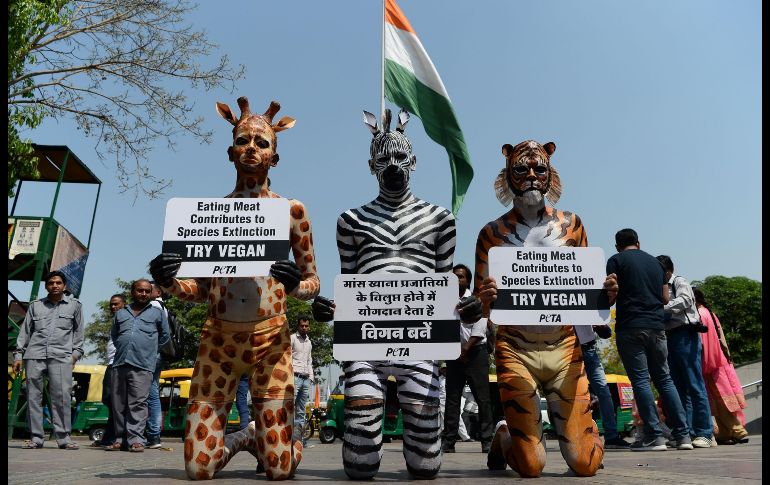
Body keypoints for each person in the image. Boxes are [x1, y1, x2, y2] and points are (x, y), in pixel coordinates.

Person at [149, 97, 320, 480]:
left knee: (280, 469)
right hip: (218, 341)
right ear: (230, 153)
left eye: (262, 143)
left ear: (274, 158)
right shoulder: (210, 216)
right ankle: (246, 436)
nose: (251, 149)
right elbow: (200, 290)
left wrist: (295, 285)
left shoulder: (292, 212)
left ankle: (273, 441)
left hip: (271, 342)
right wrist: (169, 281)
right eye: (243, 141)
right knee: (199, 468)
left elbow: (313, 281)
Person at [311, 108, 482, 480]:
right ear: (371, 165)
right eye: (383, 159)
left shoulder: (440, 220)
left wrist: (465, 307)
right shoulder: (350, 221)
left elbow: (443, 286)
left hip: (419, 342)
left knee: (426, 465)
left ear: (414, 162)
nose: (393, 165)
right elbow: (350, 285)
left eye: (400, 157)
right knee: (359, 463)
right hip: (366, 344)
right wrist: (330, 308)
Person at [476, 140, 616, 476]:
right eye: (521, 169)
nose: (532, 176)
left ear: (550, 172)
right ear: (507, 173)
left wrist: (606, 296)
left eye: (540, 169)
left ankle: (585, 434)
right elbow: (482, 308)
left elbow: (585, 290)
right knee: (531, 466)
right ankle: (505, 435)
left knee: (585, 465)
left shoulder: (573, 224)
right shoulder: (490, 233)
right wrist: (485, 299)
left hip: (565, 347)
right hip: (515, 348)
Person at [606, 229, 692, 452]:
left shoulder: (616, 260)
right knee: (665, 380)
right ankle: (683, 436)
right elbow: (665, 298)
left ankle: (654, 436)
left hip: (631, 326)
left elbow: (611, 294)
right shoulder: (657, 264)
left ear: (617, 246)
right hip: (657, 326)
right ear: (638, 243)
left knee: (641, 381)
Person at [13, 270, 84, 450]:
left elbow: (79, 332)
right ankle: (36, 438)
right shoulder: (36, 306)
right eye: (51, 283)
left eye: (58, 283)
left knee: (62, 397)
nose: (54, 285)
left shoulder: (74, 306)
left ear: (64, 286)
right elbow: (25, 332)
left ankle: (64, 438)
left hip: (61, 356)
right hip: (34, 355)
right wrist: (18, 355)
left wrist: (74, 356)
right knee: (33, 397)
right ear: (46, 286)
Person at [656, 255, 714, 448]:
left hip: (685, 334)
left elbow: (686, 300)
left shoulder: (679, 281)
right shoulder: (659, 287)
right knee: (678, 388)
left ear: (668, 271)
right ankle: (686, 432)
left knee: (695, 385)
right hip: (669, 336)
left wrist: (663, 308)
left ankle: (705, 432)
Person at [105, 279, 170, 453]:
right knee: (118, 404)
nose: (143, 294)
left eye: (147, 291)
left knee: (138, 403)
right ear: (132, 292)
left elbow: (165, 336)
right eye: (140, 290)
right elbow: (115, 336)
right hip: (120, 363)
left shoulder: (157, 313)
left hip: (143, 364)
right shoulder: (121, 313)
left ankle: (136, 440)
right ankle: (119, 439)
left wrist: (149, 350)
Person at [442, 263, 493, 454]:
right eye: (454, 276)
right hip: (453, 354)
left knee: (483, 399)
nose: (457, 279)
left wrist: (464, 350)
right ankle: (449, 441)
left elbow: (480, 329)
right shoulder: (444, 302)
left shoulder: (477, 301)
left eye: (461, 276)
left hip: (475, 353)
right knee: (452, 399)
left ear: (468, 280)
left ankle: (487, 440)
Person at [694, 288, 748, 445]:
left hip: (711, 363)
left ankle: (738, 431)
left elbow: (703, 343)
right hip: (720, 360)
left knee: (720, 400)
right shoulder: (710, 313)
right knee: (718, 400)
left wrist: (703, 364)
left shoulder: (700, 314)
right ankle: (725, 433)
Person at [573, 324, 631, 449]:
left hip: (588, 350)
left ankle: (611, 436)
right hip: (567, 352)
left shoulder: (590, 311)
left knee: (604, 392)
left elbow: (607, 333)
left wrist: (600, 327)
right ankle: (574, 436)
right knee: (571, 394)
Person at [91, 294, 126, 448]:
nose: (113, 307)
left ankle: (114, 437)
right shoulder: (115, 321)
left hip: (118, 364)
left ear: (124, 304)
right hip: (111, 364)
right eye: (111, 304)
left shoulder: (126, 320)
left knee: (115, 402)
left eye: (116, 304)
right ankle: (111, 435)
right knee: (109, 400)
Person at [145, 282, 166, 449]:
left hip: (151, 355)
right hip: (157, 355)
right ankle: (153, 434)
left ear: (158, 292)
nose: (145, 293)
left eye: (149, 290)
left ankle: (153, 434)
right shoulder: (163, 307)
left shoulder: (153, 306)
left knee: (151, 393)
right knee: (153, 391)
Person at [291, 315, 314, 447]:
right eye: (302, 325)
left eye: (306, 326)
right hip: (294, 376)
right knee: (290, 408)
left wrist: (311, 377)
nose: (304, 327)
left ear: (309, 327)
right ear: (298, 326)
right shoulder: (292, 338)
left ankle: (298, 439)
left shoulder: (309, 342)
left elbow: (309, 360)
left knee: (301, 410)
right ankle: (288, 438)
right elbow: (286, 356)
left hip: (306, 378)